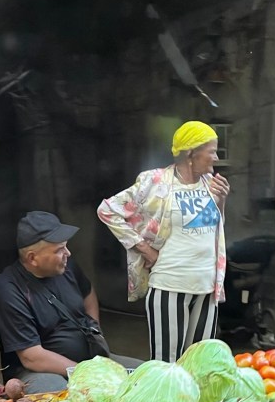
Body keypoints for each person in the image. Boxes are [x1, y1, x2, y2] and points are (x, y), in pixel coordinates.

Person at [98, 121, 230, 362]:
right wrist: (143, 248)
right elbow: (107, 210)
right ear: (191, 153)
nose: (216, 157)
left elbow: (214, 229)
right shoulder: (156, 181)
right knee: (167, 365)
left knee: (200, 364)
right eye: (212, 151)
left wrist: (221, 201)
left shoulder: (210, 183)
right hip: (171, 284)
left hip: (207, 286)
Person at [0, 211, 140, 393]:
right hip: (41, 371)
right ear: (32, 258)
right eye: (59, 250)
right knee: (63, 395)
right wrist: (86, 373)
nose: (68, 253)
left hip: (89, 361)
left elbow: (88, 294)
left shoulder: (65, 266)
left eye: (66, 246)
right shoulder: (9, 288)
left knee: (149, 375)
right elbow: (32, 357)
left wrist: (95, 330)